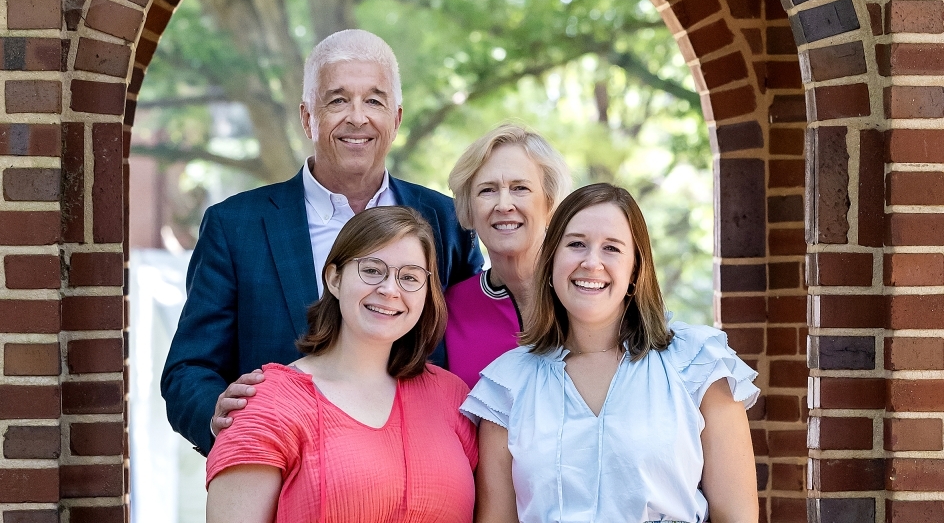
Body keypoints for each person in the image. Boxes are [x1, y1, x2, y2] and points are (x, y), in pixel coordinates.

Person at [161, 29, 483, 456]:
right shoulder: (235, 226)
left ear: (397, 118)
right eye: (337, 100)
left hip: (419, 471)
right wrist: (217, 415)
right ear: (307, 117)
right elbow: (189, 369)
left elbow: (472, 344)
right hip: (284, 478)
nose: (357, 117)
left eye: (374, 100)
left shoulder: (446, 221)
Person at [462, 183, 760, 523]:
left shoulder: (699, 363)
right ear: (551, 261)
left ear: (635, 270)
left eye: (612, 249)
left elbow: (737, 516)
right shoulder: (506, 386)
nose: (591, 263)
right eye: (576, 244)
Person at [205, 206, 477, 523]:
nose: (390, 290)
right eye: (372, 270)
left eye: (409, 277)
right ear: (334, 279)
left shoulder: (452, 397)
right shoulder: (267, 403)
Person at [445, 123, 572, 387]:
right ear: (469, 210)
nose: (503, 205)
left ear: (550, 203)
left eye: (520, 188)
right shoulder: (448, 309)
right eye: (487, 190)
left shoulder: (585, 292)